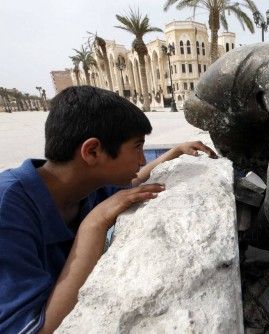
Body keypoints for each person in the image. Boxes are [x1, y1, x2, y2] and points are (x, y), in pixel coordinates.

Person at [0, 86, 217, 333]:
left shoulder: (81, 185)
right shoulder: (8, 211)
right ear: (92, 151)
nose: (142, 160)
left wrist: (174, 152)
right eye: (137, 147)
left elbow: (134, 181)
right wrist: (94, 224)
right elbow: (34, 329)